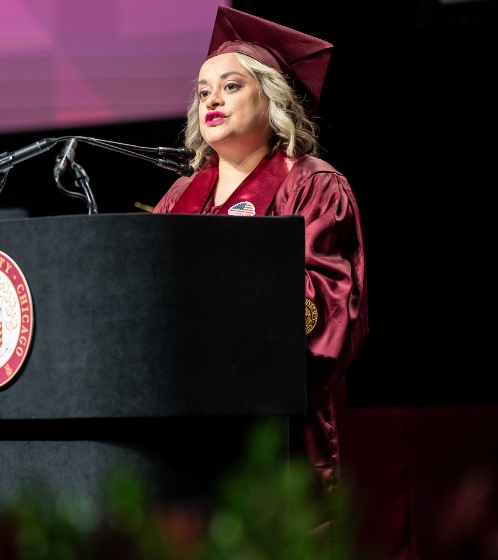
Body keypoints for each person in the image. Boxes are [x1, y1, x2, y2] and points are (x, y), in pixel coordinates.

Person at [153, 7, 367, 496]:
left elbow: (327, 311)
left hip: (280, 436)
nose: (213, 100)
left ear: (271, 98)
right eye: (203, 91)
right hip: (182, 432)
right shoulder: (181, 196)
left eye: (231, 86)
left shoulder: (312, 184)